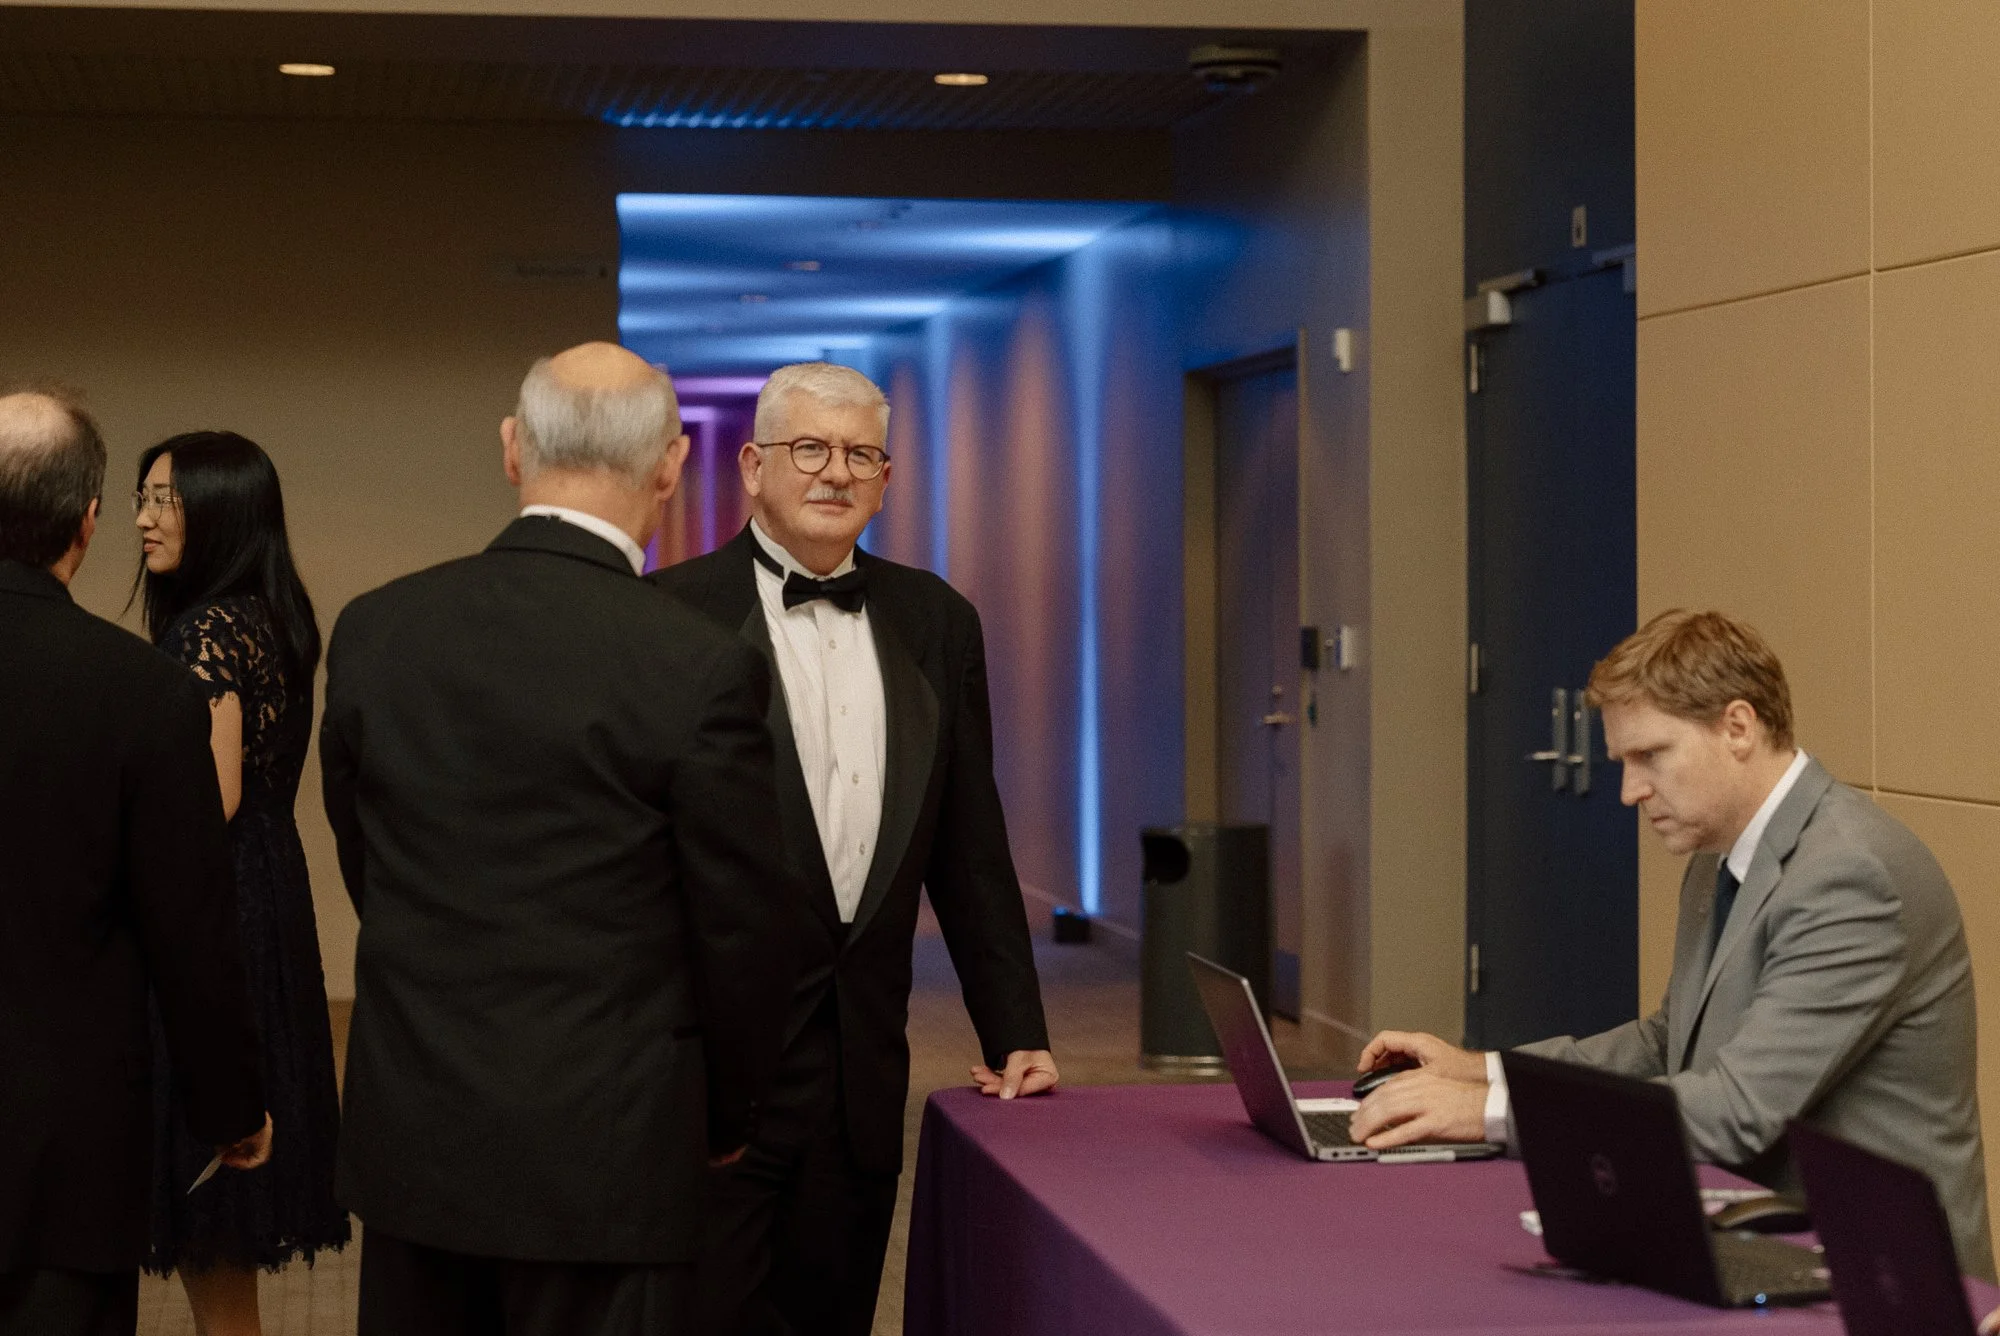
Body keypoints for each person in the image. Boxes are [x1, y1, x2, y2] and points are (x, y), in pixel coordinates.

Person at [321, 343, 799, 1336]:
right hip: (610, 1150)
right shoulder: (698, 666)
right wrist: (729, 1114)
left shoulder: (377, 630)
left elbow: (367, 860)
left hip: (420, 1129)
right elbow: (738, 933)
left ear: (511, 449)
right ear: (671, 465)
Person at [1350, 609, 1994, 1279]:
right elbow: (1668, 1043)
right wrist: (1482, 1070)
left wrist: (1490, 1112)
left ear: (1738, 727)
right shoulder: (1720, 854)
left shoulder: (1850, 877)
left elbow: (1738, 1112)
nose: (1630, 792)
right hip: (1767, 1240)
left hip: (1888, 1279)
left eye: (1650, 756)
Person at [651, 361, 1057, 1336]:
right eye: (809, 449)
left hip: (860, 1076)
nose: (835, 472)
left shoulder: (938, 621)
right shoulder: (664, 614)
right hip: (705, 1080)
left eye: (859, 455)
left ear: (885, 479)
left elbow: (968, 842)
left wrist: (1014, 1028)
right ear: (753, 466)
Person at [0, 388, 271, 1336]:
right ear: (86, 521)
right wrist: (231, 1106)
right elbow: (189, 929)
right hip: (60, 1151)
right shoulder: (141, 691)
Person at [130, 431, 348, 1334]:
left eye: (166, 500)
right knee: (223, 1223)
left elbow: (208, 795)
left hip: (219, 906)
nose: (144, 519)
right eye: (143, 498)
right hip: (268, 890)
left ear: (220, 512)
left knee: (208, 1202)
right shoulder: (272, 615)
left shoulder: (207, 629)